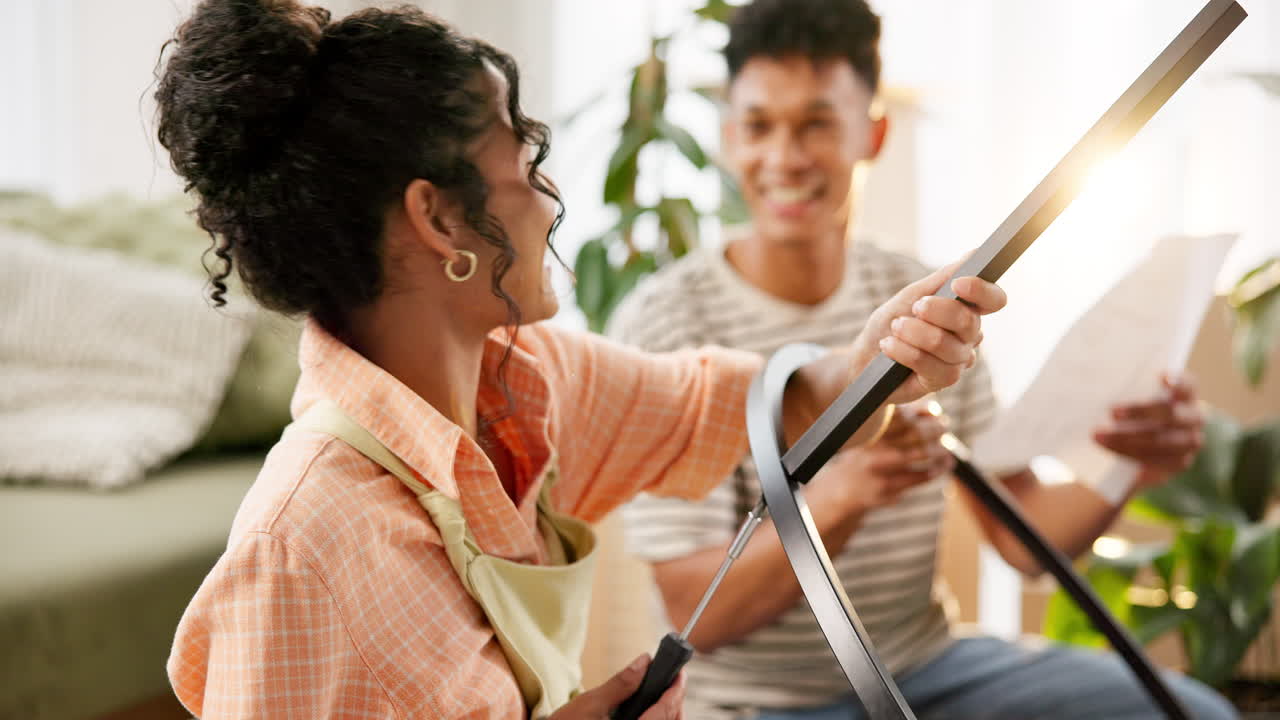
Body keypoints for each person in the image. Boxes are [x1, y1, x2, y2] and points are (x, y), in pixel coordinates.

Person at [152, 1, 1005, 718]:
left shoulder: (534, 383)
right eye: (523, 157)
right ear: (441, 221)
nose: (547, 193)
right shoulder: (300, 556)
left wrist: (876, 359)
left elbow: (751, 406)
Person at [609, 1, 1235, 718]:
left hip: (930, 670)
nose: (783, 157)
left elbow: (1026, 538)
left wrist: (1132, 463)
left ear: (872, 133)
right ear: (727, 137)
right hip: (762, 705)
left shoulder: (921, 300)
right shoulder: (665, 320)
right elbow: (699, 611)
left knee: (1196, 715)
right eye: (758, 126)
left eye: (816, 123)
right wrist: (843, 495)